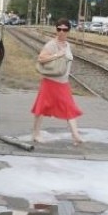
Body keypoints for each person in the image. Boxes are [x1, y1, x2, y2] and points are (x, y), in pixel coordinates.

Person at [31, 17, 83, 146]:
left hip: (63, 83)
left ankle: (75, 135)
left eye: (64, 30)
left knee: (69, 108)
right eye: (59, 29)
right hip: (50, 81)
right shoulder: (51, 44)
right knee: (42, 108)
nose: (61, 32)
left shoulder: (67, 45)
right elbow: (41, 58)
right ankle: (36, 134)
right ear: (56, 30)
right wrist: (57, 55)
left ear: (68, 31)